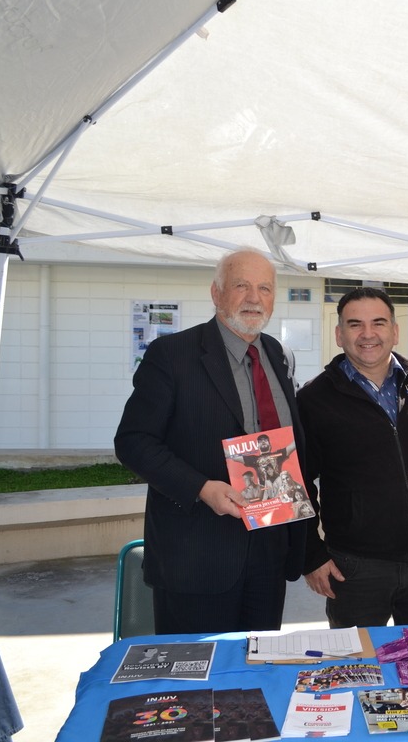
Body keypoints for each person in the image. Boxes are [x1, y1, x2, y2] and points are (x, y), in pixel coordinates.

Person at [115, 248, 308, 634]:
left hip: (269, 553)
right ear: (216, 293)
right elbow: (133, 441)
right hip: (196, 558)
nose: (254, 298)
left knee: (256, 664)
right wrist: (202, 488)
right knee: (200, 670)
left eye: (265, 288)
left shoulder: (279, 355)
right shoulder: (172, 354)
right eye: (241, 286)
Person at [297, 287, 408, 627]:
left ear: (394, 332)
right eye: (355, 324)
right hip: (355, 569)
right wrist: (311, 555)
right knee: (359, 658)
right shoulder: (314, 398)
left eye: (378, 323)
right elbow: (298, 481)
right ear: (339, 335)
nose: (368, 334)